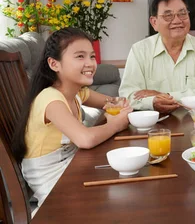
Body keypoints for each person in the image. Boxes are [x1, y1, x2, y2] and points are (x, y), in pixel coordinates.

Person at [11, 28, 132, 208]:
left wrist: (119, 102)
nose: (90, 63)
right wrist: (116, 124)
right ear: (54, 64)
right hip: (53, 180)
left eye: (92, 56)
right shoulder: (50, 99)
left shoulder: (77, 92)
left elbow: (111, 102)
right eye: (80, 56)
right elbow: (85, 139)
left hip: (71, 166)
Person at [119, 0, 195, 113]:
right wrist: (153, 102)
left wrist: (163, 95)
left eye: (182, 14)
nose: (177, 20)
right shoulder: (139, 50)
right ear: (154, 22)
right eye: (168, 16)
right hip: (154, 122)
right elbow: (128, 94)